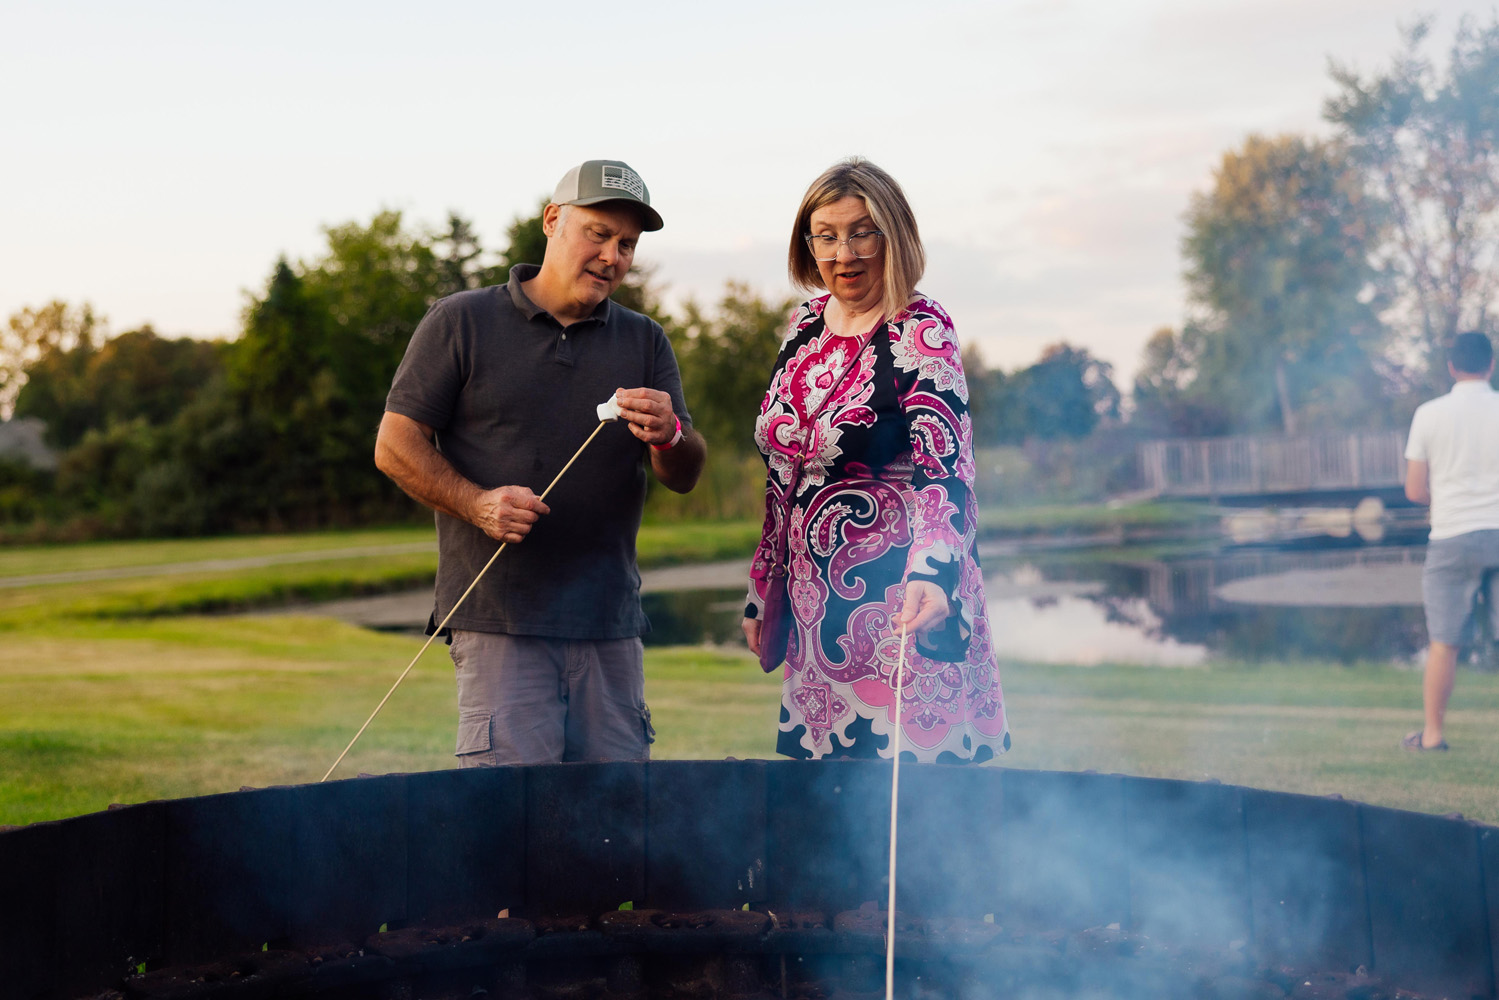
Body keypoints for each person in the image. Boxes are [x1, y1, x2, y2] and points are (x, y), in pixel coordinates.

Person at [376, 159, 705, 766]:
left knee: (618, 811)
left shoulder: (645, 339)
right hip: (501, 620)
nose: (612, 256)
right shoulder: (460, 320)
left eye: (627, 244)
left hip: (608, 623)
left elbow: (683, 474)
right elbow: (394, 445)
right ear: (553, 220)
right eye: (598, 234)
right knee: (513, 812)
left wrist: (670, 434)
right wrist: (478, 505)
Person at [742, 158, 1010, 762]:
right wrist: (764, 589)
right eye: (827, 236)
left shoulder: (921, 328)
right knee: (830, 800)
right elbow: (781, 477)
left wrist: (934, 575)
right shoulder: (802, 327)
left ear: (895, 236)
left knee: (914, 802)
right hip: (817, 610)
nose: (844, 254)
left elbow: (946, 471)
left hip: (905, 605)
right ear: (808, 245)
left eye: (863, 232)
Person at [1402, 330, 1499, 752]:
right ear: (1491, 365)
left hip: (1451, 538)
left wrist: (1442, 501)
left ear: (1451, 367)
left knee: (1444, 644)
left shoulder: (1428, 414)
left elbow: (1414, 489)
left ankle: (1433, 736)